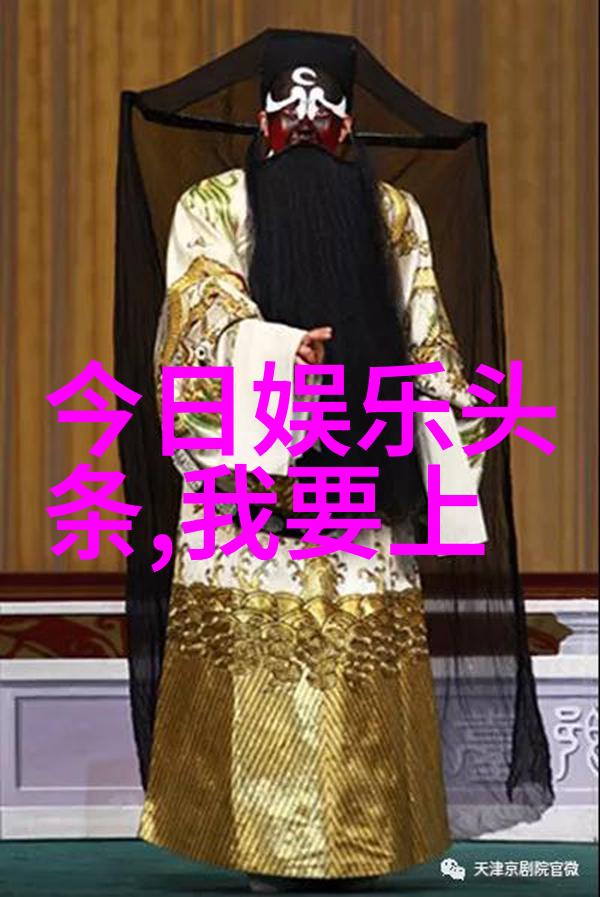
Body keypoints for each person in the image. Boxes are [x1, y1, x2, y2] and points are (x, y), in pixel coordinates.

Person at [136, 36, 490, 893]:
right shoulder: (214, 204)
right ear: (260, 118)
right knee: (262, 671)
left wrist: (450, 432)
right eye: (288, 110)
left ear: (350, 123)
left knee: (357, 668)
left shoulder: (395, 213)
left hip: (365, 474)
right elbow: (199, 311)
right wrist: (274, 350)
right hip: (250, 484)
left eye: (322, 110)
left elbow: (426, 331)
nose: (304, 123)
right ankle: (265, 848)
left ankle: (362, 843)